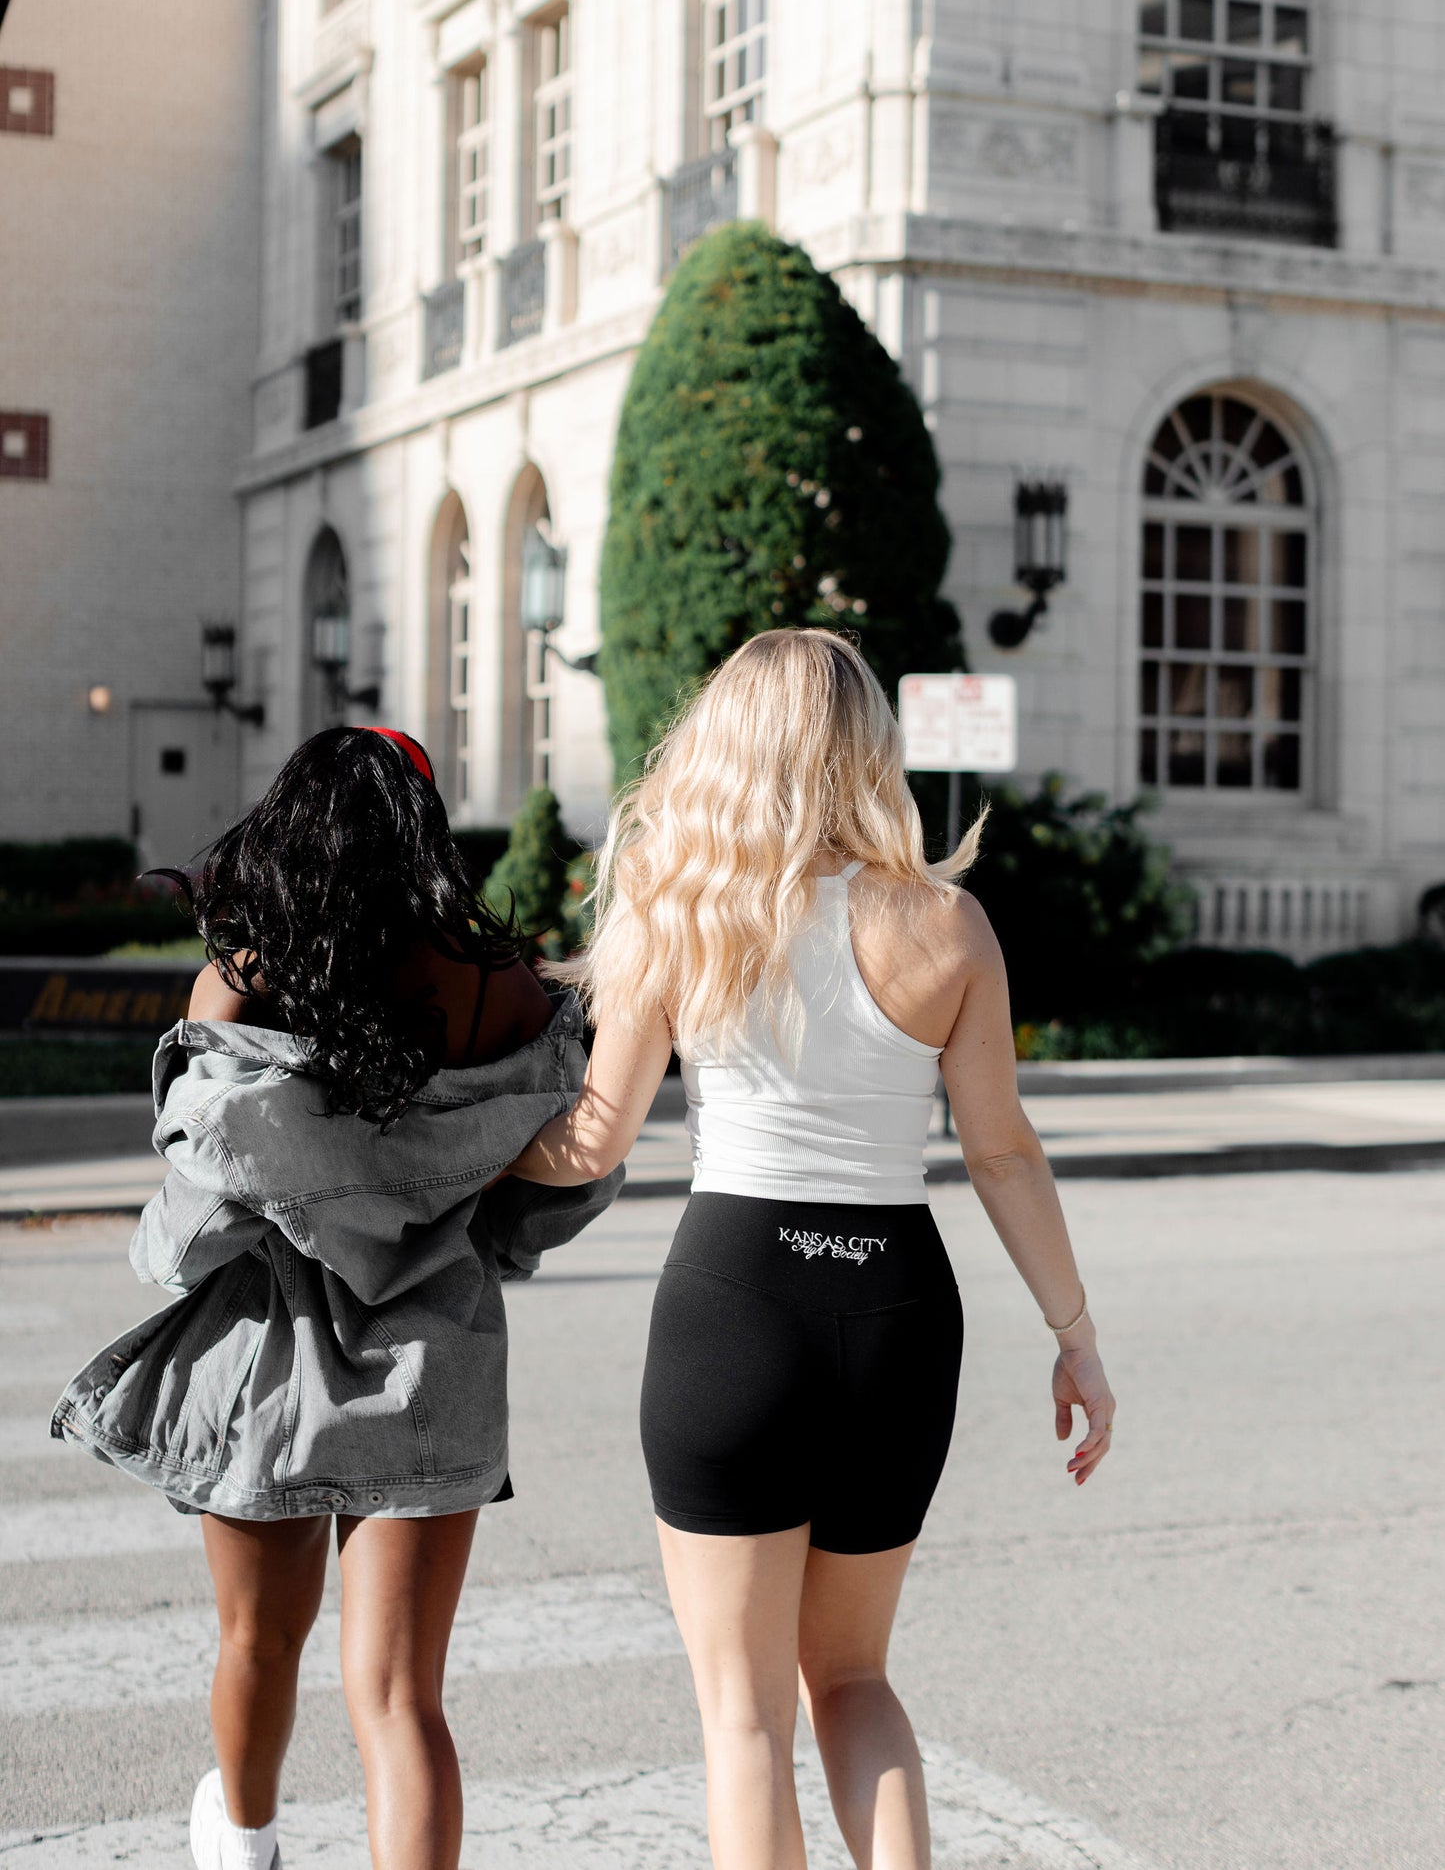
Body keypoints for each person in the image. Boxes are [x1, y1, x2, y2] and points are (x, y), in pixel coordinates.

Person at [511, 629, 1116, 1870]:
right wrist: (1074, 1337)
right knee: (852, 1676)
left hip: (734, 1302)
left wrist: (442, 1166)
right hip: (897, 1309)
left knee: (741, 1718)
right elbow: (1002, 1152)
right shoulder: (949, 925)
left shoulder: (680, 901)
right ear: (868, 750)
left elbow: (594, 1138)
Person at [53, 726, 621, 1870]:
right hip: (435, 1362)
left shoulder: (247, 979)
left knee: (257, 1641)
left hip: (267, 1358)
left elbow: (205, 1205)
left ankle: (246, 1843)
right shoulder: (505, 990)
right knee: (404, 1697)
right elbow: (548, 1197)